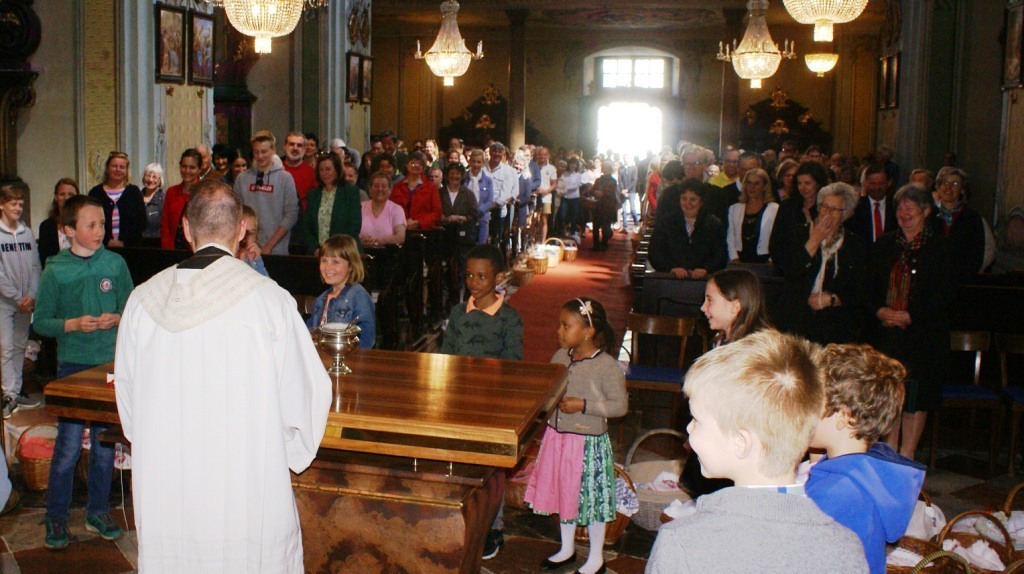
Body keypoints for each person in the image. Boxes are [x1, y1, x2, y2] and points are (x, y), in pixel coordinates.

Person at [113, 180, 331, 571]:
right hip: (246, 484)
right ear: (242, 229)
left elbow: (131, 408)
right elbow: (305, 399)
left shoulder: (143, 301)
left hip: (170, 486)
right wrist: (280, 447)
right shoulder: (271, 301)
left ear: (185, 228)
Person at [645, 330, 868, 573]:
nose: (689, 428)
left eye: (697, 420)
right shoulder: (847, 547)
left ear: (741, 443)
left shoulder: (682, 543)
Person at [34, 194, 133, 550]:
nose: (99, 230)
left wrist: (117, 317)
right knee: (68, 445)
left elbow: (132, 308)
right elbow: (41, 321)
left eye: (102, 223)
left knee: (105, 445)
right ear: (69, 230)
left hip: (108, 365)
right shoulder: (56, 270)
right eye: (91, 225)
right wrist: (72, 324)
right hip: (73, 366)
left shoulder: (115, 264)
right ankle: (56, 516)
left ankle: (98, 511)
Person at [525, 297, 626, 574]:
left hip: (586, 443)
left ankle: (596, 557)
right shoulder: (560, 357)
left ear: (588, 331)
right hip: (558, 439)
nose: (559, 331)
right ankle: (566, 547)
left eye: (565, 326)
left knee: (591, 498)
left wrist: (583, 404)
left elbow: (620, 406)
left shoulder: (606, 366)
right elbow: (548, 388)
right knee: (565, 492)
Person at [806, 344, 926, 574]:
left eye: (811, 404)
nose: (802, 413)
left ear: (843, 417)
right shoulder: (865, 473)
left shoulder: (837, 494)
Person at [440, 244, 524, 561]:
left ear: (498, 278)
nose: (473, 283)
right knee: (460, 460)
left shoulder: (509, 319)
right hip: (459, 400)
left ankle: (493, 526)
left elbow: (513, 364)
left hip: (491, 403)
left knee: (491, 467)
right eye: (469, 276)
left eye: (481, 276)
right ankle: (459, 516)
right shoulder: (457, 313)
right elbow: (446, 356)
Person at [868, 184, 955, 461]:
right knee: (891, 395)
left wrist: (911, 314)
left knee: (916, 397)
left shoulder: (940, 247)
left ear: (926, 211)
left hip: (923, 335)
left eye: (911, 208)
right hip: (888, 335)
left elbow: (945, 293)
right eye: (900, 208)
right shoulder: (884, 244)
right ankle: (889, 451)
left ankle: (907, 456)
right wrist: (880, 310)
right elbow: (867, 287)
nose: (904, 213)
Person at [775, 183, 867, 344]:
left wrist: (832, 299)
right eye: (824, 207)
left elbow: (858, 290)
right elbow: (790, 271)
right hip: (797, 321)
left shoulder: (855, 245)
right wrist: (814, 241)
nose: (827, 213)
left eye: (834, 209)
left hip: (835, 325)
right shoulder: (798, 234)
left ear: (845, 214)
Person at [0, 182, 42, 418]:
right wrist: (17, 297)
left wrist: (31, 294)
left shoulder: (26, 233)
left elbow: (36, 266)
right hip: (6, 302)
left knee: (19, 346)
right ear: (2, 205)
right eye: (13, 204)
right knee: (6, 348)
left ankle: (15, 392)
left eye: (21, 205)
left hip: (26, 302)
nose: (18, 208)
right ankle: (8, 394)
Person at [234, 130, 300, 255]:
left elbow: (291, 214)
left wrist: (269, 246)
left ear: (273, 150)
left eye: (264, 152)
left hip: (277, 250)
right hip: (247, 250)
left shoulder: (285, 178)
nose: (260, 156)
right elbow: (237, 213)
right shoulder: (242, 179)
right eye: (256, 152)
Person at [305, 234, 375, 348]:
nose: (328, 267)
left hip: (347, 357)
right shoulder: (321, 300)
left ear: (351, 265)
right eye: (324, 261)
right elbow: (308, 331)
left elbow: (366, 341)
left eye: (335, 262)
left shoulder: (359, 297)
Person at [647, 179, 726, 278]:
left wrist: (706, 269)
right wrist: (671, 268)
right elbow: (655, 252)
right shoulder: (665, 222)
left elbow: (720, 255)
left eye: (693, 199)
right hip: (670, 280)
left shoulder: (714, 225)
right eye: (684, 199)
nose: (688, 203)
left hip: (703, 281)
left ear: (702, 202)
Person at [770, 160, 830, 275]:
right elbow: (776, 242)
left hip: (818, 268)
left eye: (808, 183)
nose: (803, 188)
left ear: (818, 184)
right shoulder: (787, 207)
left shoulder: (825, 209)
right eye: (799, 183)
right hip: (789, 268)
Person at [300, 152, 362, 255]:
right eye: (321, 170)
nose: (324, 173)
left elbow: (354, 225)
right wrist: (314, 248)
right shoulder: (313, 194)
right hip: (318, 253)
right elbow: (306, 227)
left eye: (328, 169)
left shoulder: (350, 192)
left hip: (345, 252)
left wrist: (335, 249)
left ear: (337, 170)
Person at [932, 166, 986, 281]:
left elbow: (976, 255)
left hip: (961, 281)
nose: (948, 187)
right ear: (938, 187)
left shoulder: (973, 218)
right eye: (945, 183)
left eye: (955, 184)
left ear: (962, 189)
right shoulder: (927, 216)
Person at [438, 162, 479, 304]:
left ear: (462, 177)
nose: (455, 176)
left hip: (463, 236)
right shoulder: (440, 193)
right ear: (447, 176)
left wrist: (462, 218)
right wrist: (443, 218)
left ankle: (463, 298)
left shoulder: (468, 194)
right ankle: (449, 297)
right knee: (448, 269)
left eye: (458, 174)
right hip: (444, 235)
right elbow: (434, 211)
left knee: (462, 267)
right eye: (452, 174)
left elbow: (474, 215)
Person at [88, 151, 147, 248]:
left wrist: (124, 242)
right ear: (107, 169)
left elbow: (141, 223)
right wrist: (107, 241)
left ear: (126, 171)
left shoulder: (134, 192)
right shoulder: (95, 193)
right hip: (101, 247)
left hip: (130, 248)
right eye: (114, 166)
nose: (118, 170)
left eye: (122, 167)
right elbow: (90, 221)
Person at [726, 167, 778, 264]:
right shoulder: (734, 209)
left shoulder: (774, 209)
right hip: (740, 261)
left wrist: (771, 260)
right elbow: (730, 236)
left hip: (765, 261)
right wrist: (734, 258)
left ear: (765, 186)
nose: (752, 187)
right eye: (749, 183)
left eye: (756, 183)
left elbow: (779, 239)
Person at [161, 148, 203, 249]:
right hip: (172, 251)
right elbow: (165, 226)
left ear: (199, 169)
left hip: (197, 250)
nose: (187, 171)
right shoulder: (171, 192)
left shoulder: (205, 193)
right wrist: (168, 251)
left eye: (192, 167)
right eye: (184, 166)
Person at [390, 151, 442, 231]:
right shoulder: (397, 186)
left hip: (423, 231)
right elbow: (391, 209)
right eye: (413, 163)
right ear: (407, 165)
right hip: (399, 229)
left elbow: (437, 213)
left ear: (424, 168)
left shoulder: (431, 187)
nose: (416, 166)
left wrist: (419, 222)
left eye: (420, 164)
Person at [845, 163, 896, 245]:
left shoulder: (896, 207)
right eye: (872, 183)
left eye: (881, 183)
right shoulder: (855, 208)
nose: (876, 188)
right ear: (865, 183)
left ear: (889, 183)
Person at [38, 178, 79, 267]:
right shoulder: (46, 227)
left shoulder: (84, 223)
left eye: (70, 194)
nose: (66, 198)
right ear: (56, 197)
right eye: (62, 194)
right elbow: (45, 259)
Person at [360, 172, 407, 247]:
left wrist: (377, 242)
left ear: (390, 190)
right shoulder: (360, 207)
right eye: (376, 186)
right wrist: (361, 241)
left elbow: (400, 237)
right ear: (370, 189)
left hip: (387, 252)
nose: (380, 189)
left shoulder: (396, 209)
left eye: (384, 186)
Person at [282, 131, 317, 213]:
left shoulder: (313, 173)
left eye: (299, 145)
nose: (295, 148)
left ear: (304, 149)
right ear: (285, 147)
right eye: (291, 144)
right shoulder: (275, 170)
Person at [237, 205, 269, 277]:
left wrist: (256, 262)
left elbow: (267, 283)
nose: (247, 238)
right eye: (244, 232)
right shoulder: (224, 259)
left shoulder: (254, 259)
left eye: (251, 233)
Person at [140, 163, 165, 241]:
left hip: (156, 244)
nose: (150, 180)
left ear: (160, 180)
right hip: (136, 244)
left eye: (154, 177)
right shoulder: (136, 197)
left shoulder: (164, 200)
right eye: (148, 176)